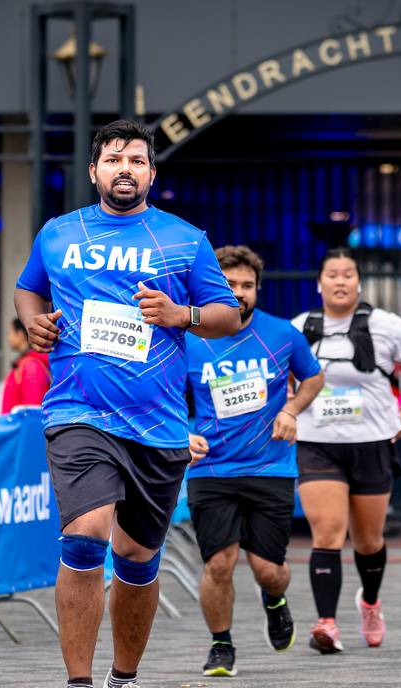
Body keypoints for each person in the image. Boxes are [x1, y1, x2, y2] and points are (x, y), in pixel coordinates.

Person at [15, 119, 240, 688]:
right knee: (85, 535)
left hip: (158, 425)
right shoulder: (59, 234)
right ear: (94, 172)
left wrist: (179, 315)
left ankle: (124, 677)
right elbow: (27, 288)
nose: (125, 168)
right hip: (78, 412)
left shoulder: (185, 239)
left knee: (137, 559)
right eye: (114, 159)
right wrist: (32, 322)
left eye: (137, 160)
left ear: (151, 173)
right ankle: (79, 683)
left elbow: (227, 315)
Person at [185, 245, 324, 677]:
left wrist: (290, 410)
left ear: (258, 290)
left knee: (268, 570)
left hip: (270, 468)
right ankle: (221, 645)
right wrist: (182, 433)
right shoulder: (188, 342)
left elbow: (314, 377)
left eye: (247, 285)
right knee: (219, 563)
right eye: (229, 285)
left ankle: (276, 601)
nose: (239, 293)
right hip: (212, 469)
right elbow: (164, 396)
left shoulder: (282, 334)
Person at [291, 247, 401, 653]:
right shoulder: (300, 327)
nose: (340, 281)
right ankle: (326, 624)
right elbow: (280, 374)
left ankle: (370, 602)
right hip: (318, 444)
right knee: (328, 533)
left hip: (371, 443)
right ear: (319, 283)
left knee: (368, 541)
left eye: (348, 274)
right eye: (332, 274)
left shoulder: (389, 326)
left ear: (358, 282)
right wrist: (289, 407)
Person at [0, 318, 51, 415]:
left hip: (20, 428)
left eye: (10, 333)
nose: (9, 338)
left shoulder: (31, 366)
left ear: (20, 334)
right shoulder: (25, 364)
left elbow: (31, 412)